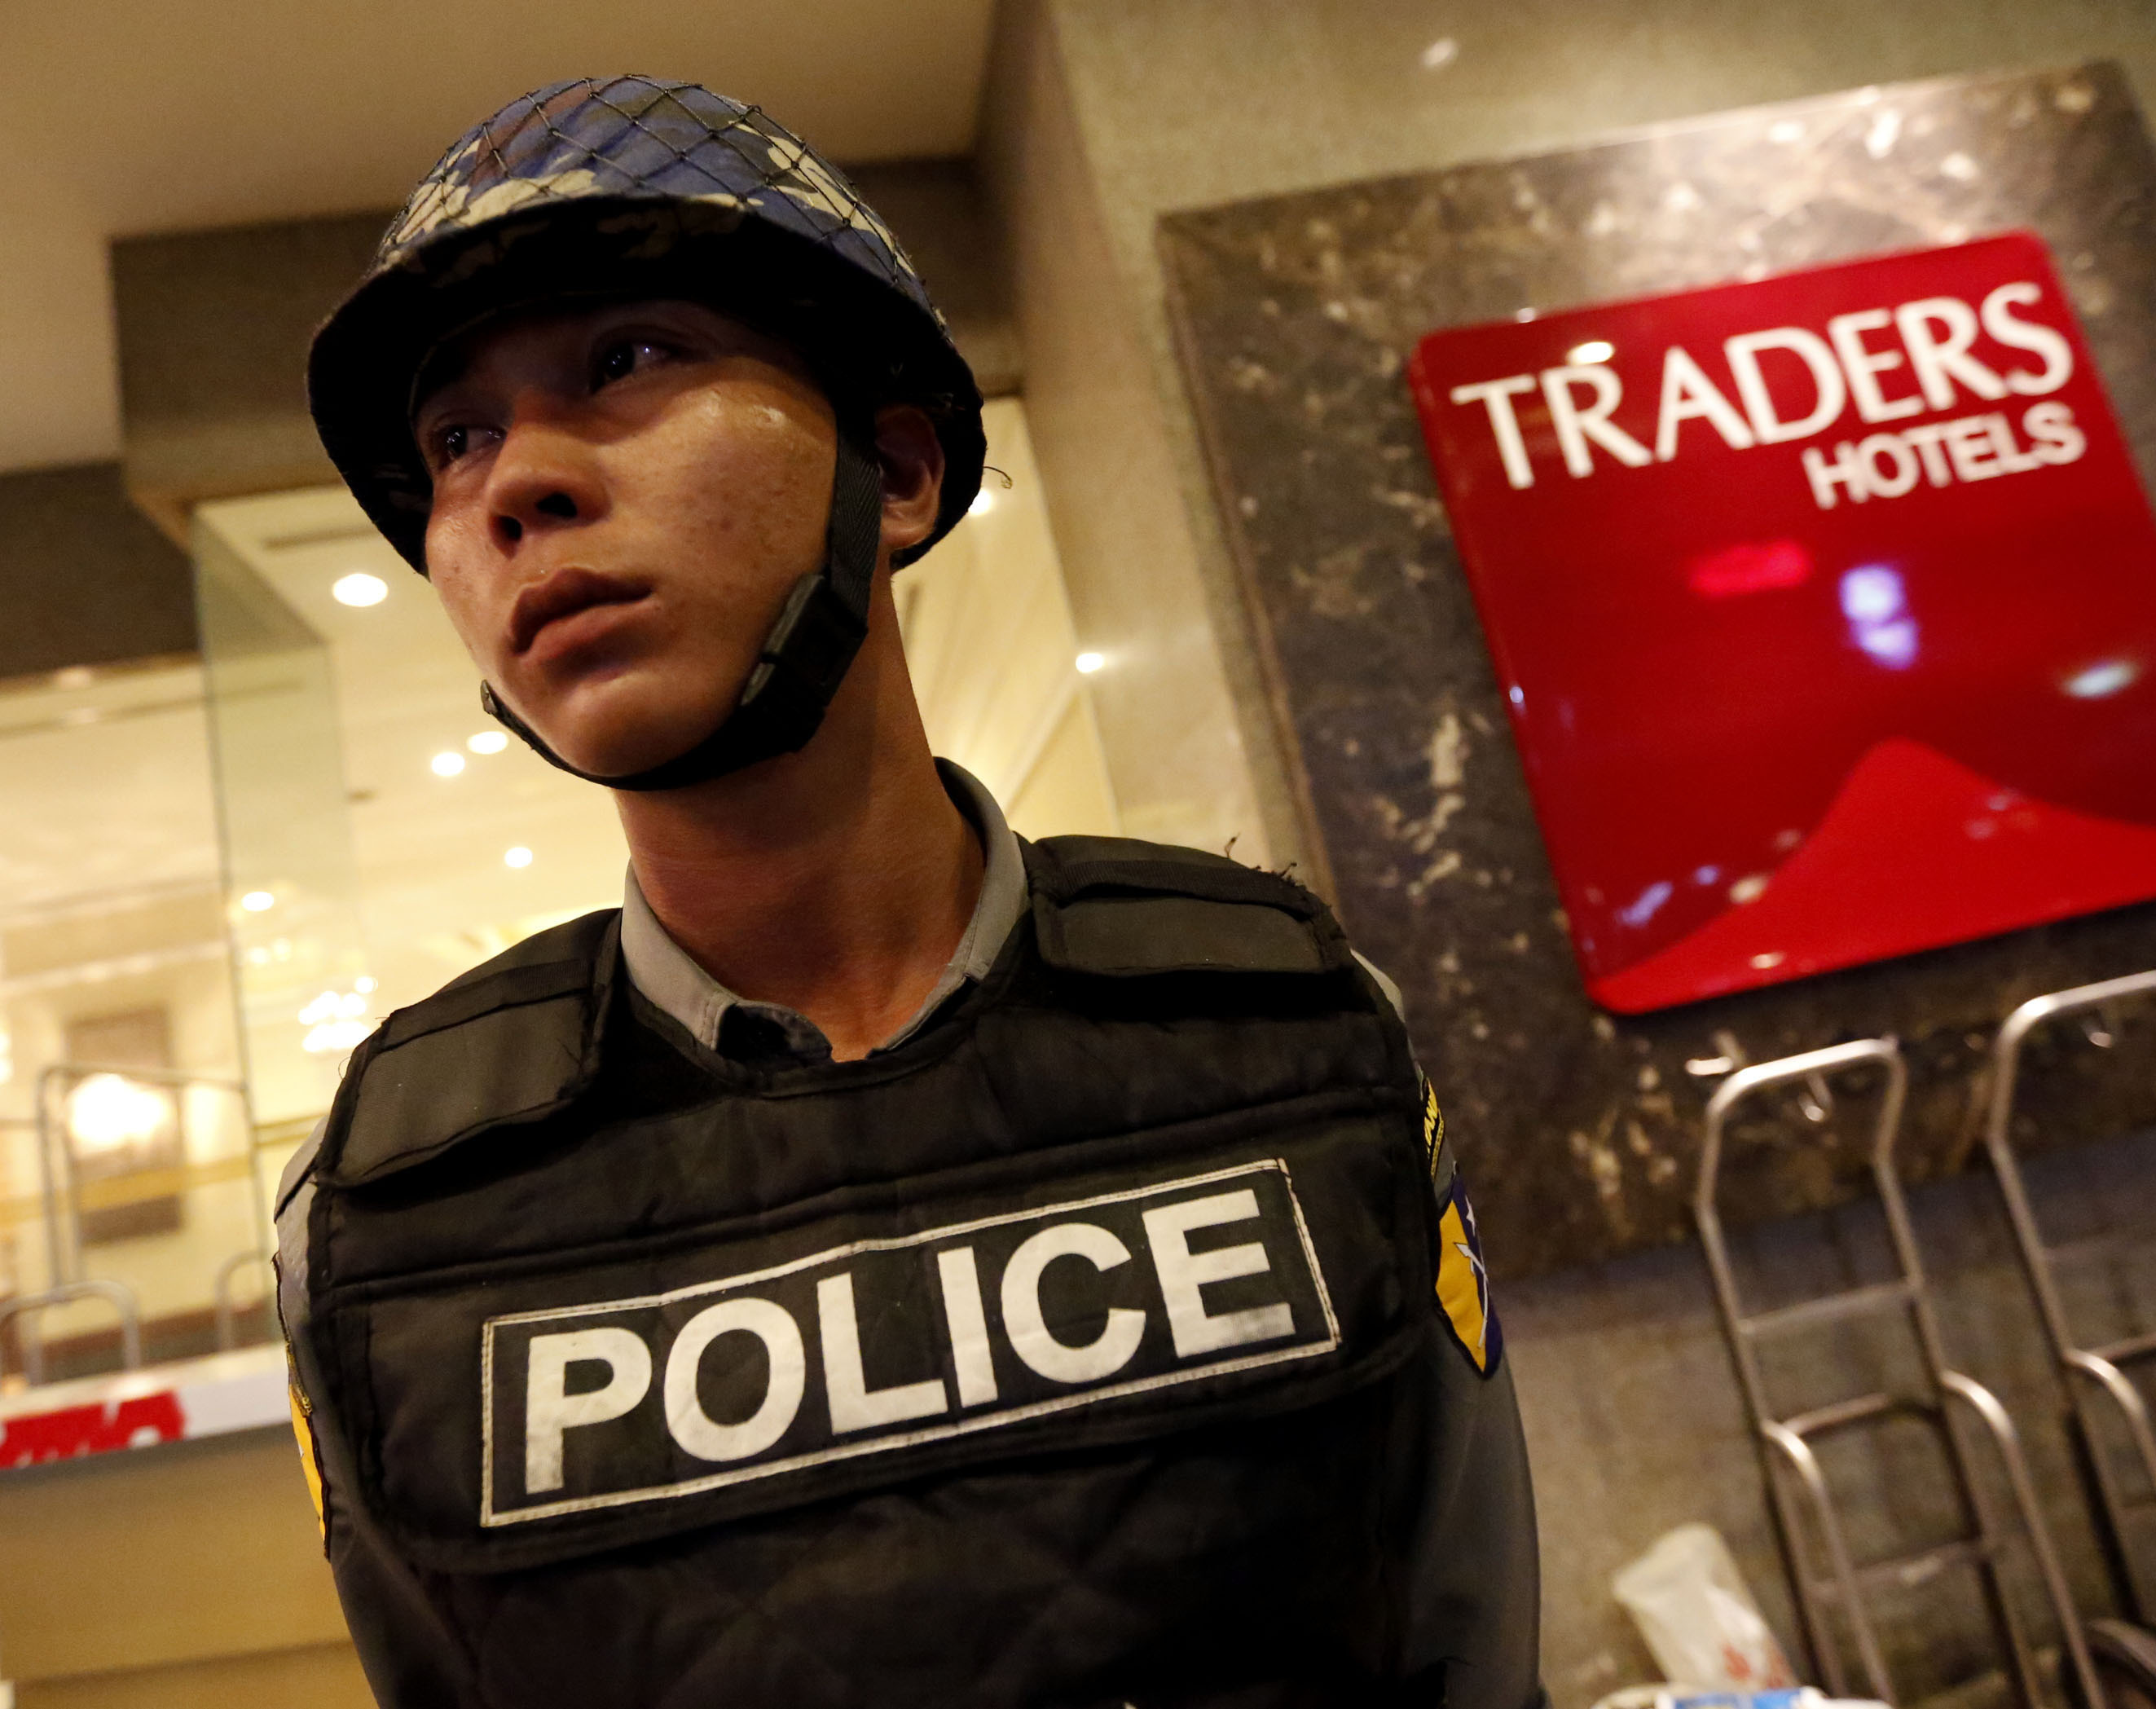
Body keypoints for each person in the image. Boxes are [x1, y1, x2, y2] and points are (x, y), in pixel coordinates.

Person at [277, 76, 1543, 1709]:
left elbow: (1472, 1646)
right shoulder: (380, 1210)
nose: (517, 482)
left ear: (895, 470)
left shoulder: (1293, 1021)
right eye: (457, 439)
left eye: (628, 360)